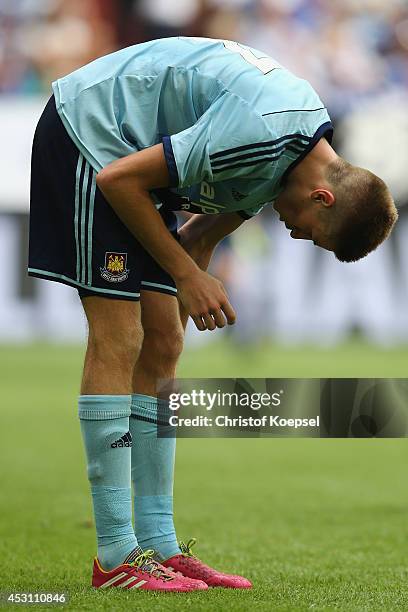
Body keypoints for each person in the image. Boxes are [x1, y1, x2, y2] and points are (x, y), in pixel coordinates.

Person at [28, 36, 397, 592]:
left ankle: (159, 545)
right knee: (119, 337)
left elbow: (198, 237)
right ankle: (115, 556)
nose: (295, 235)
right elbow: (118, 181)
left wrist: (184, 296)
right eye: (310, 234)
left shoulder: (291, 159)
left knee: (163, 346)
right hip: (91, 134)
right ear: (323, 198)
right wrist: (186, 278)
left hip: (133, 157)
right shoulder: (260, 137)